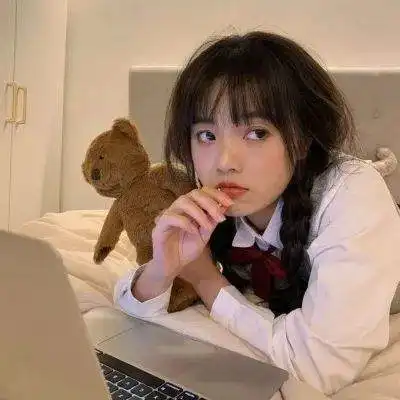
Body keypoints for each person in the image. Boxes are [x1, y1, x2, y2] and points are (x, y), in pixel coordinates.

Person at [113, 31, 400, 395]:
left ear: (301, 140)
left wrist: (206, 280)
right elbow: (130, 318)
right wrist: (161, 268)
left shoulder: (351, 195)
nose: (224, 162)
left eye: (256, 133)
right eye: (206, 135)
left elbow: (318, 367)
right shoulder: (205, 200)